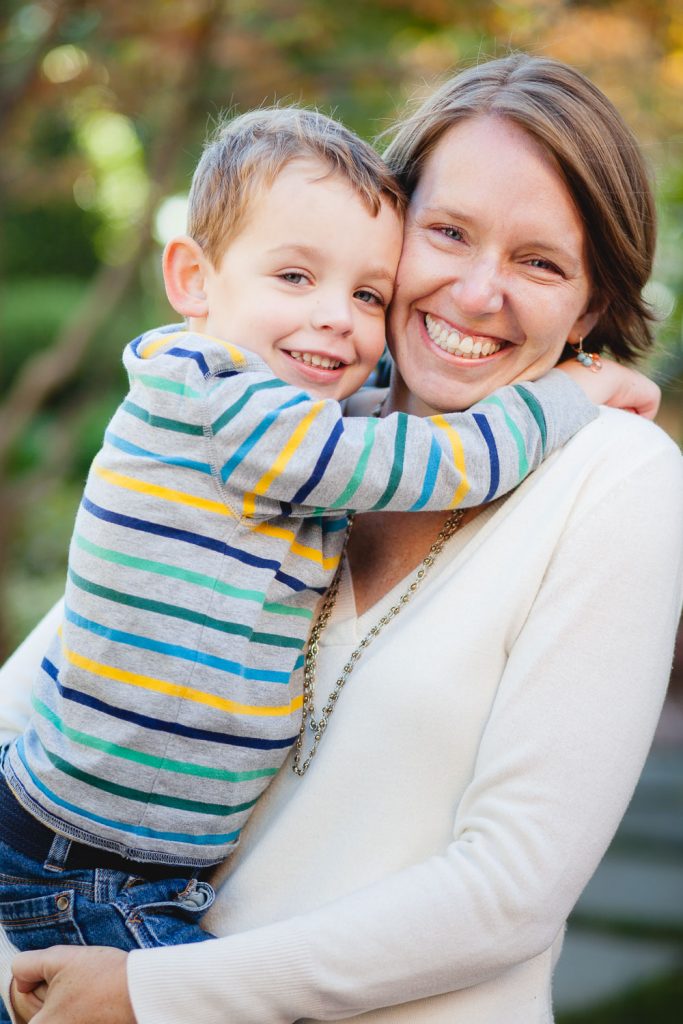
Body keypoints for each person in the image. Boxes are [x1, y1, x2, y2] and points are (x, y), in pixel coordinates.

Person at [2, 52, 681, 1024]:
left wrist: (151, 992)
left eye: (538, 261)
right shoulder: (283, 431)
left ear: (594, 304)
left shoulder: (614, 475)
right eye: (446, 232)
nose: (478, 291)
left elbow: (507, 890)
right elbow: (37, 698)